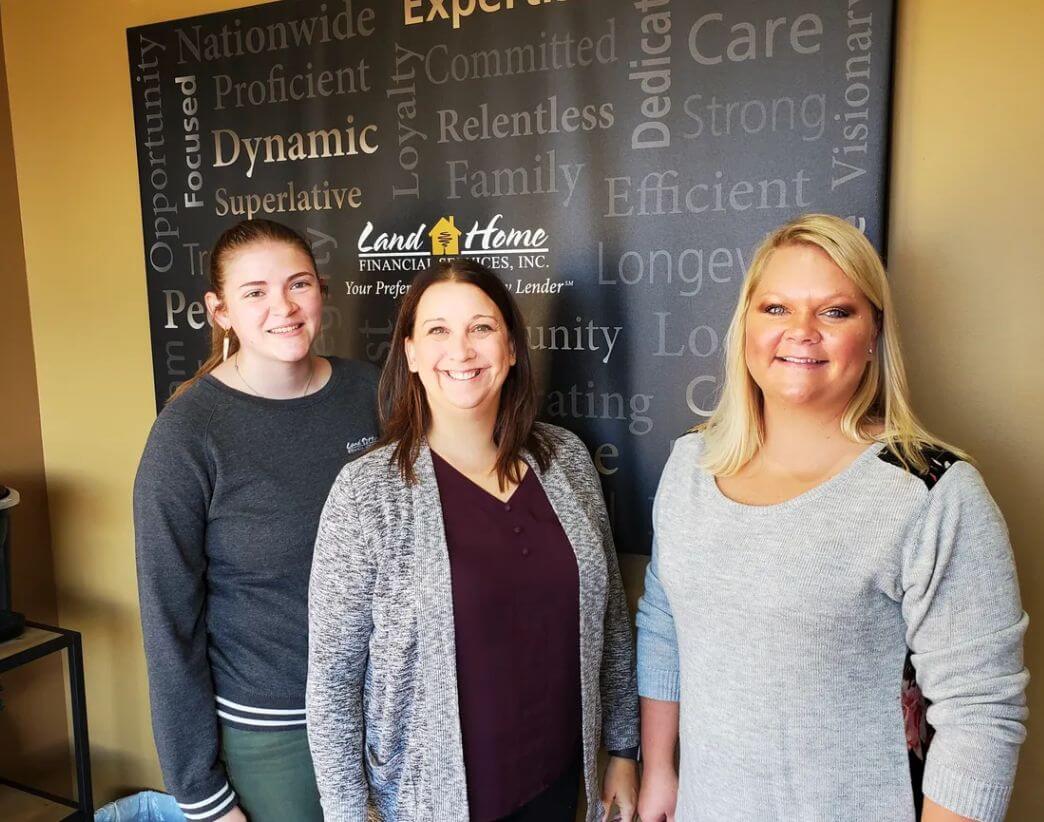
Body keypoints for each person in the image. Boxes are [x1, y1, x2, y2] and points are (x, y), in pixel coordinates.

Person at [636, 214, 1029, 822]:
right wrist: (659, 768)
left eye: (835, 312)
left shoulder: (933, 491)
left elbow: (980, 713)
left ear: (873, 332)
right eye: (775, 309)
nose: (801, 333)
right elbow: (664, 622)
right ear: (746, 327)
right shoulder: (691, 462)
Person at [306, 259, 640, 822]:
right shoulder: (367, 493)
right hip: (427, 804)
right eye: (438, 330)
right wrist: (347, 815)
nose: (461, 350)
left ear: (510, 348)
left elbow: (609, 621)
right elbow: (333, 684)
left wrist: (625, 750)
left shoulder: (566, 461)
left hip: (557, 788)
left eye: (481, 328)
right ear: (410, 352)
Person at [134, 219, 380, 822]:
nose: (284, 307)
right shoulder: (188, 434)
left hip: (387, 711)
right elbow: (169, 624)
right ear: (219, 311)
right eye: (255, 293)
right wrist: (201, 794)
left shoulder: (373, 391)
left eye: (299, 285)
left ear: (321, 290)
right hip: (276, 733)